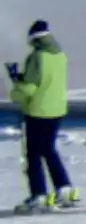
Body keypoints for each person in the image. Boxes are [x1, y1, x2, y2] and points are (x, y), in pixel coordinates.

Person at [8, 20, 74, 213]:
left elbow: (30, 87)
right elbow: (47, 81)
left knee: (34, 155)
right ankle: (64, 189)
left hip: (38, 111)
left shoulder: (37, 57)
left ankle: (39, 195)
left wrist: (16, 89)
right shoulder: (60, 55)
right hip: (57, 110)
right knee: (49, 150)